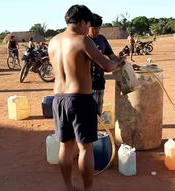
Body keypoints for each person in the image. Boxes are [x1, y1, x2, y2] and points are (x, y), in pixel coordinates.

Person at [48, 5, 124, 191]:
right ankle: (88, 189)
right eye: (88, 24)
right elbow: (106, 66)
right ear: (82, 21)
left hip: (58, 99)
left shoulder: (53, 41)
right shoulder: (83, 40)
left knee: (65, 147)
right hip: (80, 99)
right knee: (85, 148)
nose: (89, 28)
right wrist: (119, 63)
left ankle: (68, 186)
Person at [88, 13, 118, 115]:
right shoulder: (83, 40)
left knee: (97, 113)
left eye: (99, 29)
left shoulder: (102, 39)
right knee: (84, 115)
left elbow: (112, 56)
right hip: (83, 85)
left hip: (98, 83)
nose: (97, 31)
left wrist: (121, 61)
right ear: (88, 26)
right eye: (94, 28)